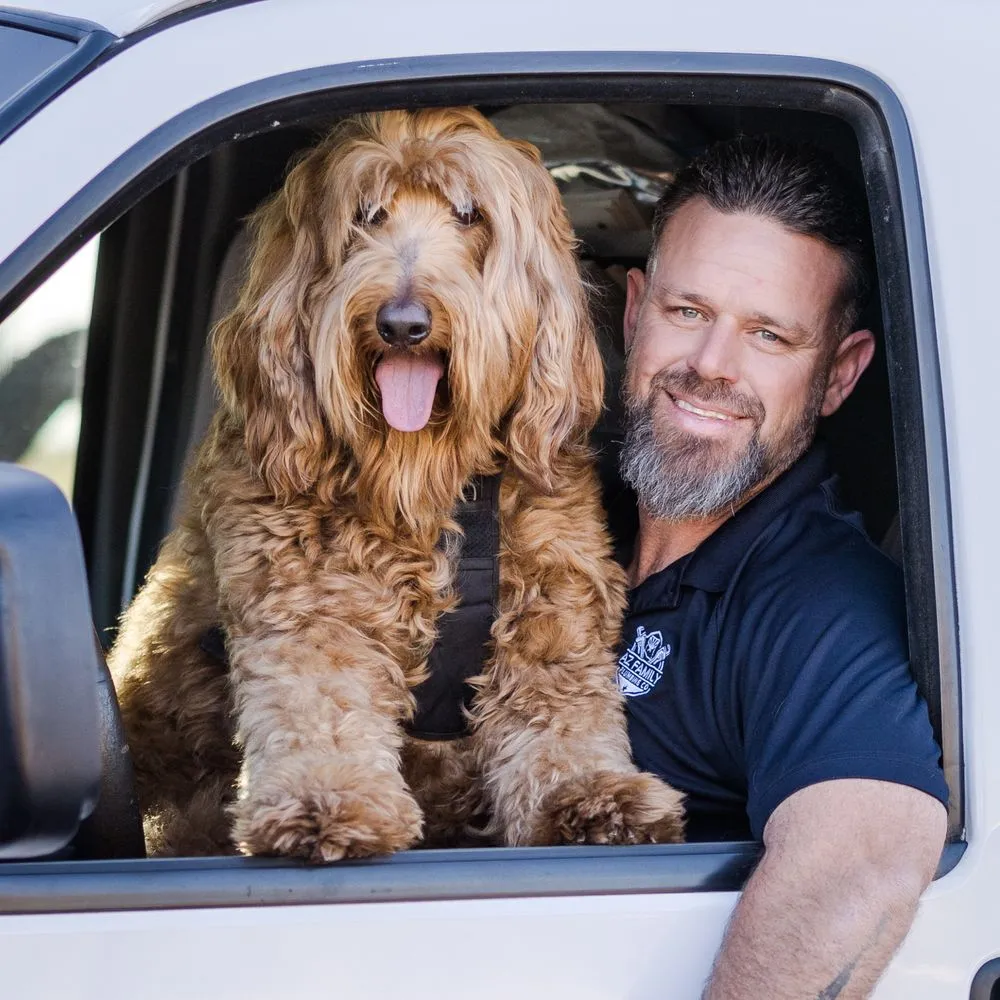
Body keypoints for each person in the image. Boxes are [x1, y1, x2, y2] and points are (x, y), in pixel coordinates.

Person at [613, 135, 948, 999]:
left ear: (839, 375)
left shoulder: (819, 600)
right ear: (633, 313)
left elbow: (862, 860)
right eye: (688, 312)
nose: (711, 367)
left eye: (769, 335)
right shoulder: (552, 511)